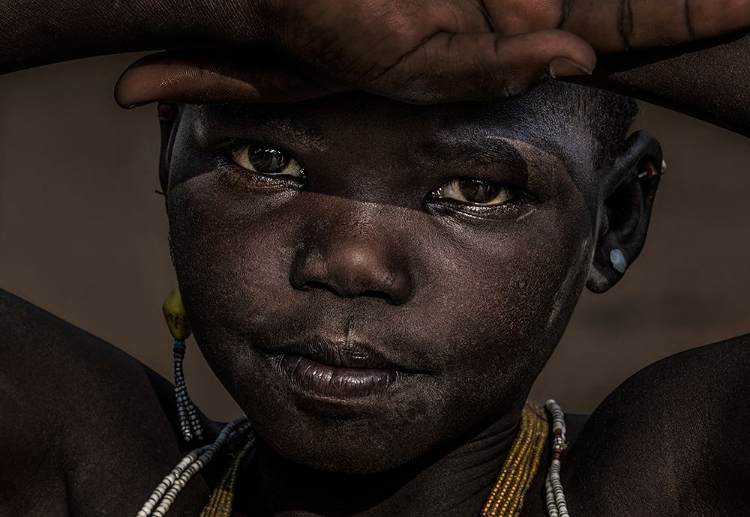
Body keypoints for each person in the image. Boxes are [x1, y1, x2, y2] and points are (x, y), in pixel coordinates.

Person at [1, 1, 750, 516]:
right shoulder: (76, 469)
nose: (352, 261)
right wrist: (252, 7)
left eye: (474, 187)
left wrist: (537, 26)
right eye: (267, 158)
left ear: (615, 217)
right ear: (170, 152)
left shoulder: (673, 480)